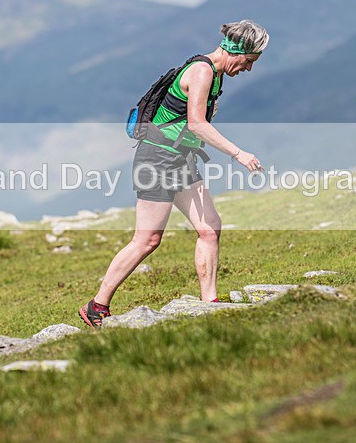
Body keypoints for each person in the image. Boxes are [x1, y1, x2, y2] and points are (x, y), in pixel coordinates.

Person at [78, 19, 269, 327]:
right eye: (248, 61)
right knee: (147, 240)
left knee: (210, 228)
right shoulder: (202, 71)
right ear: (235, 51)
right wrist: (238, 153)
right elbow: (197, 124)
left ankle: (211, 304)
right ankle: (96, 306)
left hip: (180, 160)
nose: (248, 68)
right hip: (157, 159)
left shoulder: (216, 74)